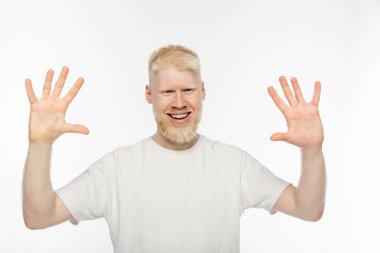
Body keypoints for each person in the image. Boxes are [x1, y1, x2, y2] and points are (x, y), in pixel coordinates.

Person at [23, 45, 326, 253]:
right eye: (167, 91)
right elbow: (39, 216)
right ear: (149, 95)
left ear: (203, 91)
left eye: (188, 90)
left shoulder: (235, 164)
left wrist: (312, 151)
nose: (179, 102)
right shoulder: (116, 168)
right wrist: (40, 146)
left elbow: (308, 209)